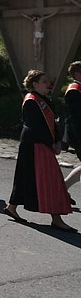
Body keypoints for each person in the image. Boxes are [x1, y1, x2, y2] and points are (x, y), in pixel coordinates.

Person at [4, 70, 75, 232]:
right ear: (35, 84)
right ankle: (56, 219)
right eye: (45, 81)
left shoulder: (43, 100)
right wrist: (52, 143)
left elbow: (52, 124)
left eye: (48, 81)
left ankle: (11, 207)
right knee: (50, 180)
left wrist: (57, 140)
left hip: (39, 144)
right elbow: (35, 127)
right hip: (34, 145)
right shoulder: (31, 101)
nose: (49, 84)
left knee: (27, 178)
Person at [63, 62, 81, 199]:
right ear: (78, 74)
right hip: (78, 134)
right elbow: (76, 119)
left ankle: (62, 188)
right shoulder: (73, 91)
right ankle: (62, 188)